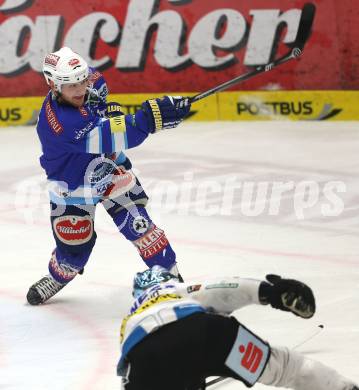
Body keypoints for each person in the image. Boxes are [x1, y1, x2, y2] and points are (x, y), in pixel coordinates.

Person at [26, 47, 190, 305]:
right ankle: (60, 274)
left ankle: (171, 280)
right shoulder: (60, 123)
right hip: (72, 187)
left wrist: (111, 109)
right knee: (73, 250)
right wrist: (151, 117)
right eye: (70, 86)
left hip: (109, 170)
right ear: (53, 84)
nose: (79, 89)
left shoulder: (91, 79)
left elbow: (102, 101)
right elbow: (115, 135)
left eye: (82, 81)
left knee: (141, 227)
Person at [117, 266, 358, 390]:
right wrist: (269, 293)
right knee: (284, 367)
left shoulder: (130, 319)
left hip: (145, 356)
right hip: (207, 333)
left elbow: (131, 370)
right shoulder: (177, 290)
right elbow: (221, 290)